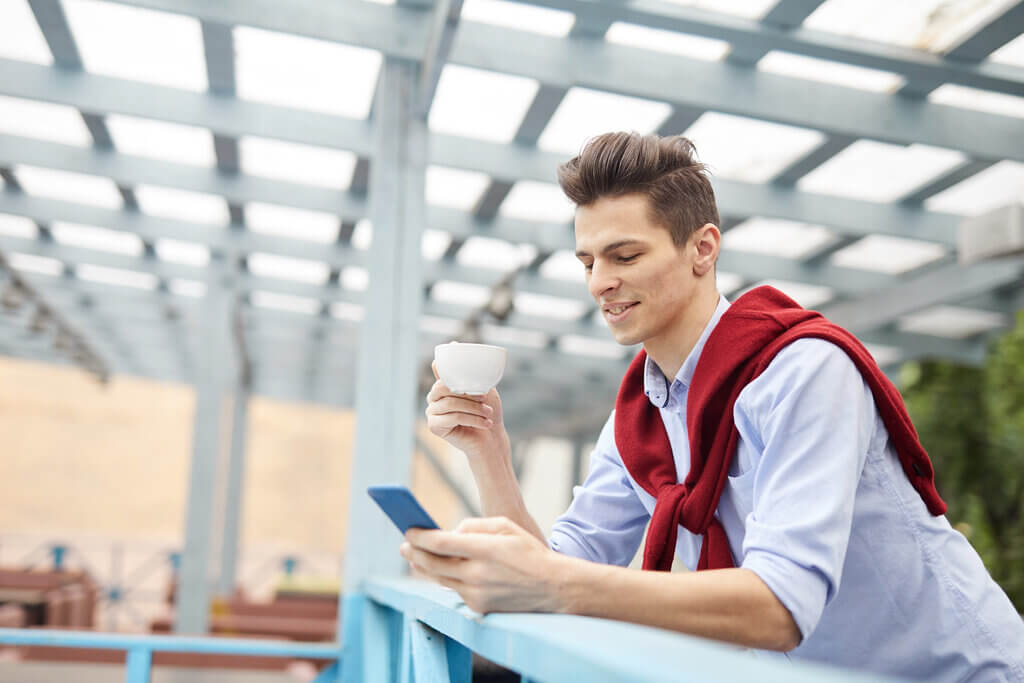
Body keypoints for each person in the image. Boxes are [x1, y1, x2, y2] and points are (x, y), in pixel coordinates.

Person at [406, 132, 1024, 680]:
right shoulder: (639, 418)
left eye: (625, 256)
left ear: (703, 249)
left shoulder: (805, 373)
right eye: (588, 262)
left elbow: (781, 606)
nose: (598, 283)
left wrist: (550, 583)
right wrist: (487, 448)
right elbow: (555, 567)